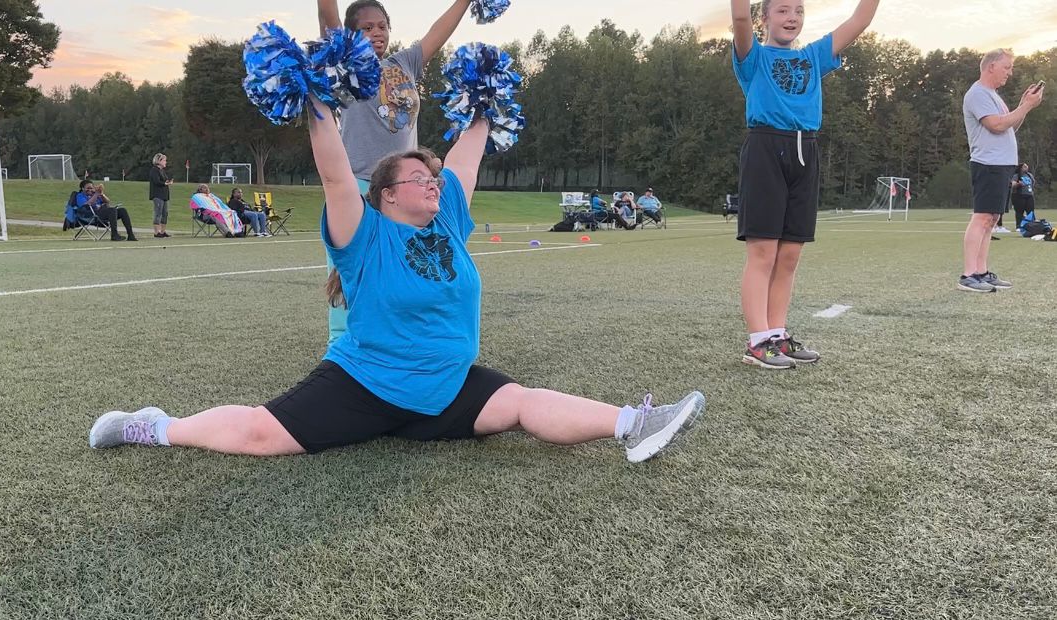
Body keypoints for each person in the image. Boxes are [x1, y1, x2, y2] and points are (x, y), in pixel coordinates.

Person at [88, 99, 706, 463]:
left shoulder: (449, 220)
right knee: (257, 432)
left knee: (517, 399)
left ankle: (634, 422)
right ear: (386, 195)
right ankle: (153, 425)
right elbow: (334, 173)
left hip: (443, 387)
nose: (433, 183)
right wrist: (315, 104)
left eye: (434, 178)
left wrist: (486, 107)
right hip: (366, 384)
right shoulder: (365, 235)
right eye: (419, 178)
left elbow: (467, 155)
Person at [730, 0, 879, 369]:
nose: (791, 16)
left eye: (798, 10)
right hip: (766, 148)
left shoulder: (813, 56)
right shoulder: (754, 57)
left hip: (806, 150)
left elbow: (860, 20)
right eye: (782, 10)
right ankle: (758, 341)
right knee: (763, 252)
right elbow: (737, 17)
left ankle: (777, 336)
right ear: (764, 18)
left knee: (790, 255)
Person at [318, 0, 478, 344]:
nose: (377, 33)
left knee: (414, 262)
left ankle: (407, 339)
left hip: (406, 188)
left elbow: (437, 33)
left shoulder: (404, 63)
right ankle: (342, 345)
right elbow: (328, 16)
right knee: (350, 271)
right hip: (360, 186)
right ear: (351, 34)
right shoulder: (345, 62)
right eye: (367, 27)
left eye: (382, 26)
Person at [958, 49, 1044, 293]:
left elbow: (1009, 126)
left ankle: (981, 272)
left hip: (1001, 164)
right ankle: (968, 275)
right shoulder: (977, 94)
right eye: (1007, 67)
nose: (1010, 72)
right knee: (983, 217)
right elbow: (996, 125)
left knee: (992, 219)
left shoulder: (993, 96)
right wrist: (1025, 106)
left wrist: (1023, 106)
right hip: (988, 164)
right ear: (991, 67)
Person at [148, 153, 173, 238]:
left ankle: (163, 231)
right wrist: (165, 183)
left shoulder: (162, 171)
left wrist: (168, 182)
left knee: (165, 213)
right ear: (159, 161)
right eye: (164, 160)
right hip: (157, 195)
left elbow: (164, 180)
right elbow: (156, 181)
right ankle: (156, 232)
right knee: (158, 212)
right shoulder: (154, 170)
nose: (166, 162)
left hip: (164, 195)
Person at [1010, 162, 1037, 230]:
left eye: (1027, 166)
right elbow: (1013, 184)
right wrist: (1018, 184)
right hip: (1019, 196)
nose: (1026, 167)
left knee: (1030, 211)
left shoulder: (1029, 175)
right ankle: (1019, 226)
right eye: (1024, 166)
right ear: (1021, 168)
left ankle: (1032, 225)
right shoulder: (1016, 175)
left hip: (1029, 195)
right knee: (1019, 212)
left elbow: (1033, 182)